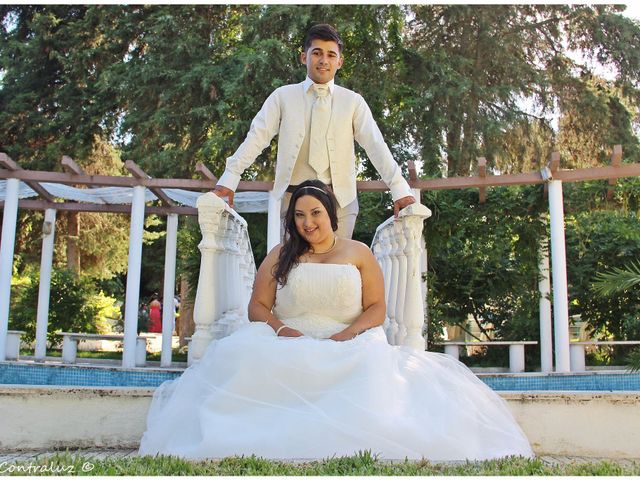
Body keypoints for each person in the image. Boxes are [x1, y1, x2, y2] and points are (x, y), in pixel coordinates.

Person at [139, 180, 533, 460]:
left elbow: (376, 307)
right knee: (246, 365)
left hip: (349, 339)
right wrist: (280, 329)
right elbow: (256, 307)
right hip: (288, 338)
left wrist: (349, 333)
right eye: (299, 216)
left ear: (331, 214)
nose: (308, 222)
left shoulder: (359, 251)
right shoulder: (281, 254)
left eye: (315, 213)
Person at [213, 24, 415, 239]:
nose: (323, 60)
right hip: (293, 202)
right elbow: (257, 137)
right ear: (303, 57)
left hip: (341, 203)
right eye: (316, 53)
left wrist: (399, 188)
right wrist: (230, 177)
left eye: (331, 54)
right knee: (294, 269)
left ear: (340, 62)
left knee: (337, 270)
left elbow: (375, 146)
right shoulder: (282, 97)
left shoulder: (353, 102)